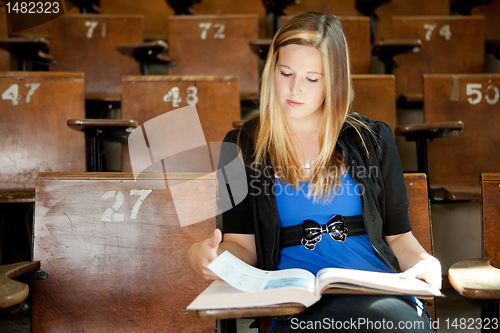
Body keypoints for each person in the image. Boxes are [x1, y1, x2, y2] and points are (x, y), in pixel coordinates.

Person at [188, 11, 441, 332]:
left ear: (333, 82)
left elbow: (400, 238)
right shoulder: (239, 145)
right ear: (271, 71)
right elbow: (243, 245)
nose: (295, 89)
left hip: (377, 291)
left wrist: (424, 263)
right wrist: (209, 256)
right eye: (285, 73)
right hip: (293, 303)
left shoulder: (372, 139)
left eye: (312, 78)